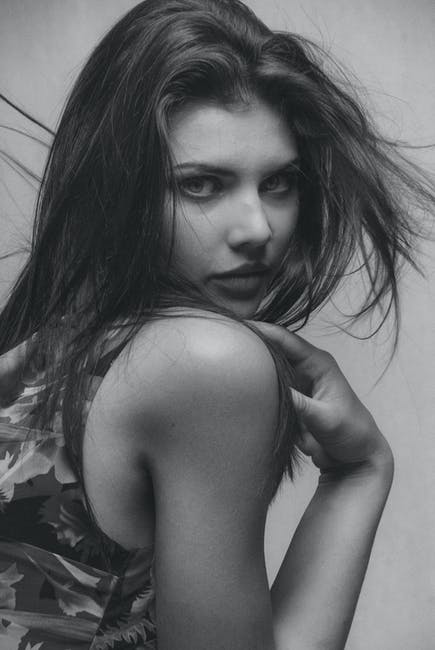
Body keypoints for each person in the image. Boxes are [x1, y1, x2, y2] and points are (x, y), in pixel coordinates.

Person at [0, 1, 433, 648]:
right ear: (118, 190)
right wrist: (359, 473)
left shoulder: (48, 350)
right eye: (201, 185)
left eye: (279, 183)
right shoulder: (205, 361)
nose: (257, 228)